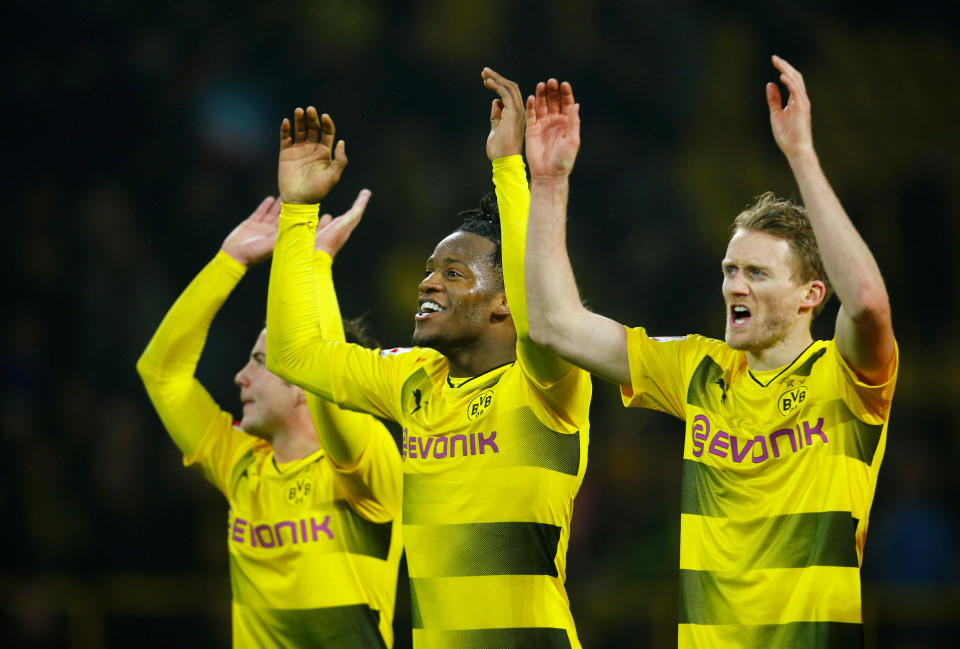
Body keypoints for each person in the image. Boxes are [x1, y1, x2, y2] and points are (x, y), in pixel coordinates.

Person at [519, 56, 898, 648]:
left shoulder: (845, 377)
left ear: (810, 296)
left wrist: (801, 155)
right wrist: (548, 184)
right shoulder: (699, 370)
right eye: (729, 270)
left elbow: (870, 304)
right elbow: (554, 325)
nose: (733, 286)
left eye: (756, 273)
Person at [265, 78, 592, 649]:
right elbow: (295, 355)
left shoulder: (549, 385)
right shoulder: (414, 379)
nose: (427, 283)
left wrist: (510, 169)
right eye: (430, 269)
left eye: (455, 273)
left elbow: (544, 314)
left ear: (504, 303)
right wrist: (297, 213)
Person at [136, 196, 403, 648]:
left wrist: (316, 266)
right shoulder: (240, 461)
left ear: (302, 381)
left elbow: (331, 388)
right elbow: (162, 374)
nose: (241, 376)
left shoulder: (363, 466)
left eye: (261, 361)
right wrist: (230, 262)